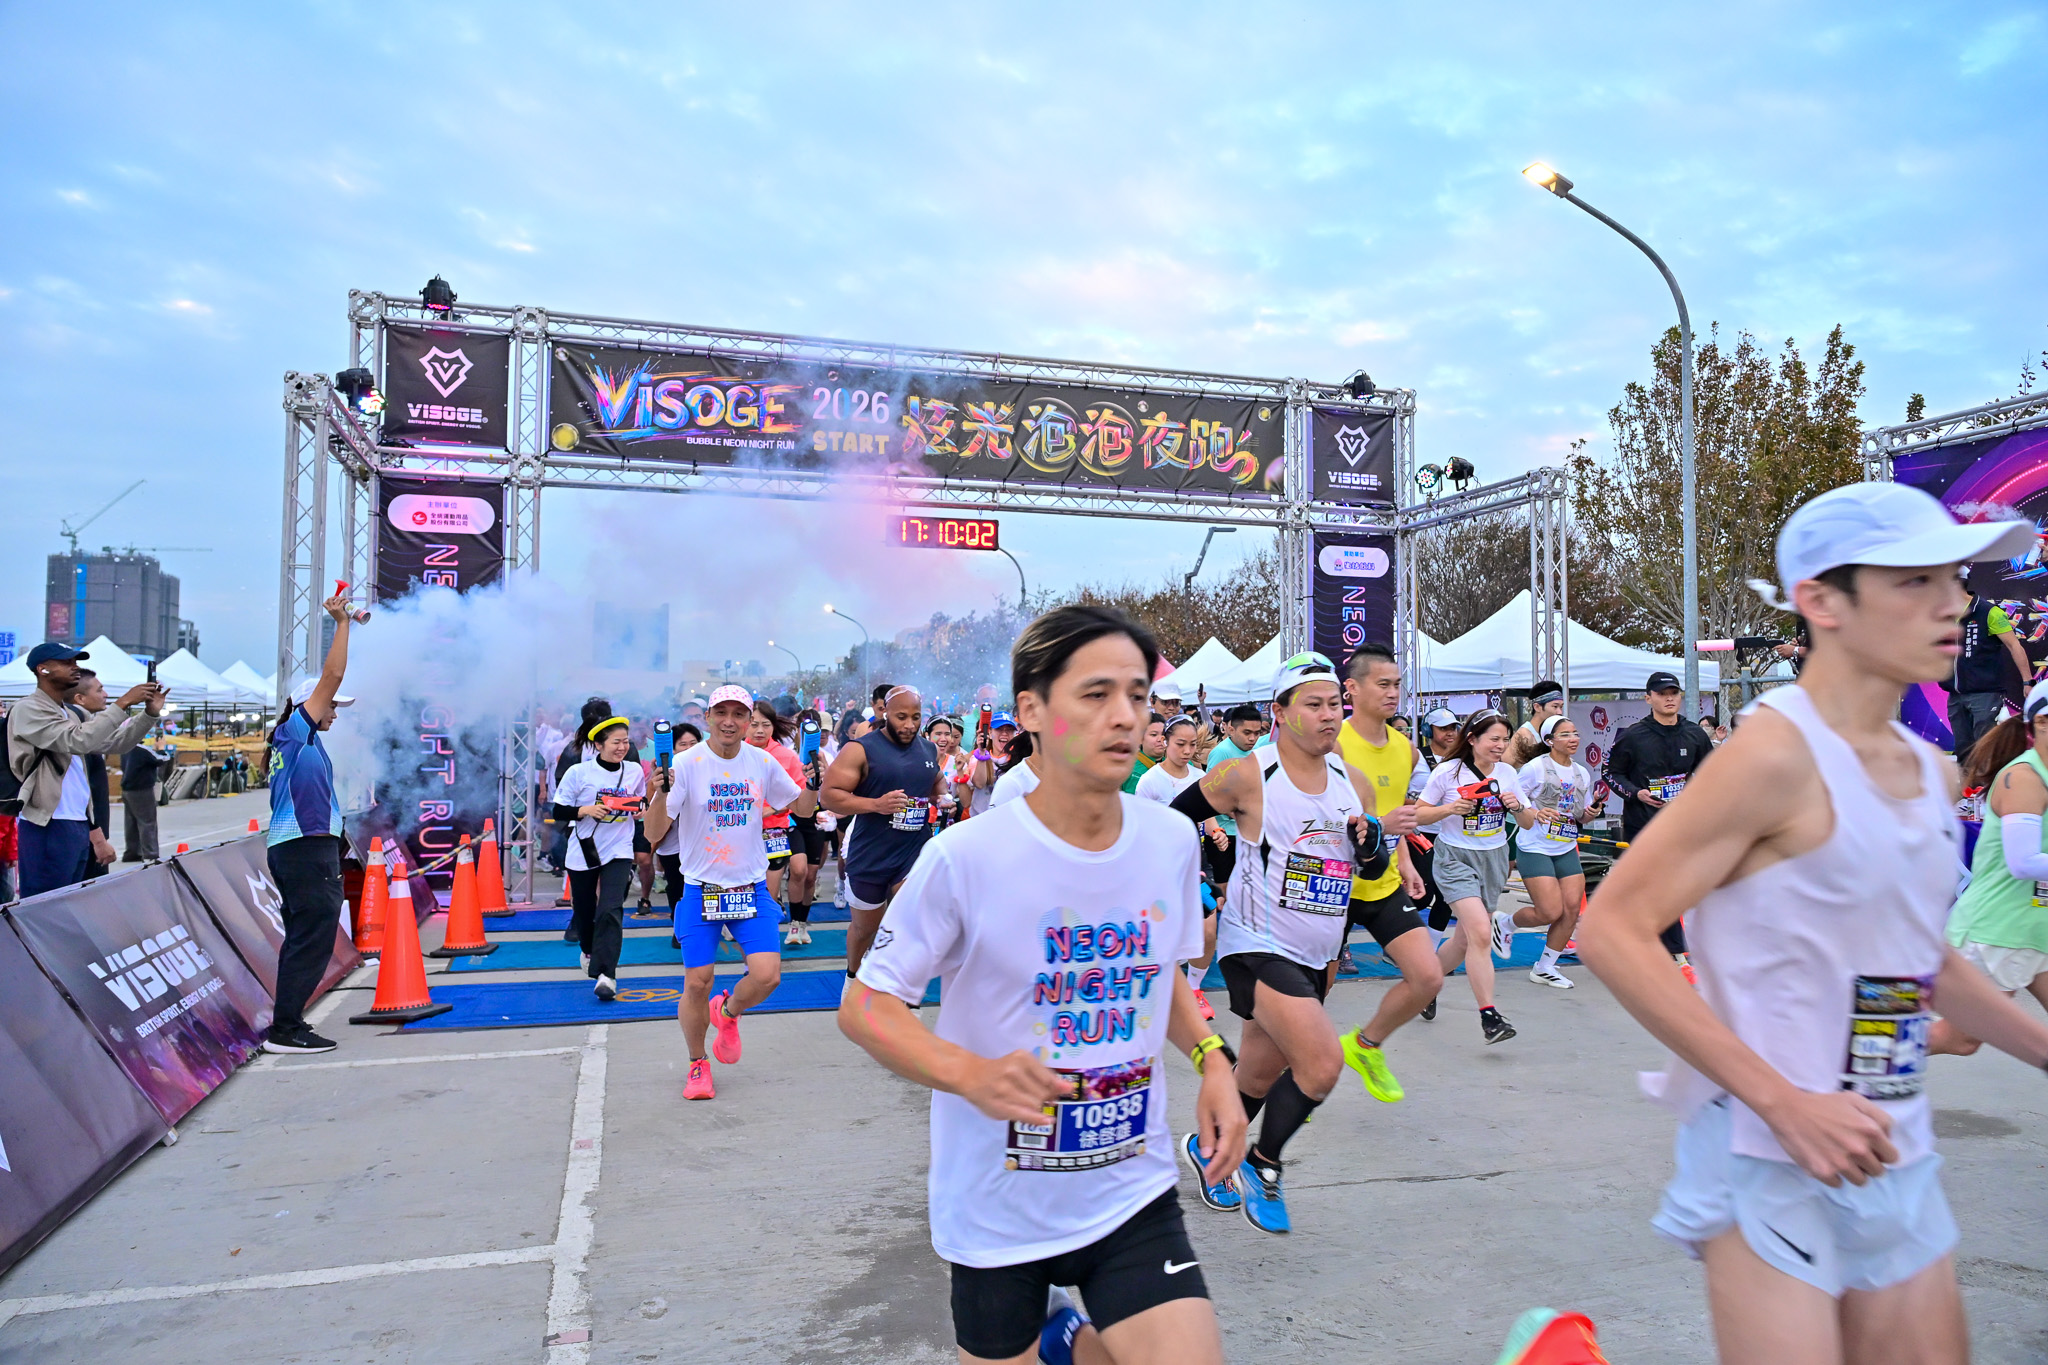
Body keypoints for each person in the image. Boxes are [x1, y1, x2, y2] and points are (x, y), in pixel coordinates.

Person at [1579, 481, 2048, 1365]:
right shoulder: (1771, 754)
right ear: (1822, 602)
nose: (1954, 604)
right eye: (1915, 581)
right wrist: (1783, 1102)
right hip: (1768, 1149)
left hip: (1893, 1139)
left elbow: (1920, 953)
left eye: (1955, 580)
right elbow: (1613, 928)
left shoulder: (1931, 769)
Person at [840, 605, 1243, 1365]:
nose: (1125, 716)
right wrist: (970, 1073)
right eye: (1096, 694)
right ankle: (1066, 1341)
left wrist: (1213, 1058)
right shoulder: (966, 856)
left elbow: (1155, 974)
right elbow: (866, 1005)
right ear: (1031, 711)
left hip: (1131, 1186)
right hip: (998, 1203)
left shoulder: (1168, 839)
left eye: (1137, 695)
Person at [1167, 651, 1389, 1234]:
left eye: (1334, 704)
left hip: (1320, 951)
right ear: (1280, 712)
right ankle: (1262, 1164)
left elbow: (1369, 865)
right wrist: (1189, 879)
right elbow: (1173, 818)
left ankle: (1208, 1149)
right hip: (1256, 944)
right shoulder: (1247, 774)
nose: (1328, 715)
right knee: (1321, 1064)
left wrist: (1372, 848)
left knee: (1259, 1077)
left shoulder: (1353, 782)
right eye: (1313, 705)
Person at [643, 685, 814, 1100]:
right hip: (701, 889)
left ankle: (728, 1011)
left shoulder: (762, 761)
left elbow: (804, 809)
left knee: (767, 976)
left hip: (750, 887)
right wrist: (660, 792)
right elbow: (652, 833)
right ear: (708, 718)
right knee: (697, 982)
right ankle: (697, 1062)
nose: (729, 722)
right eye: (721, 713)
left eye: (739, 714)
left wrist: (813, 782)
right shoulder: (684, 764)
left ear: (750, 721)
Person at [1331, 643, 1441, 1104]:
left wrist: (1406, 862)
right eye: (1383, 684)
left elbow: (1399, 819)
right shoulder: (1333, 743)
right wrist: (1379, 824)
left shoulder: (1406, 751)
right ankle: (1288, 1079)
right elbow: (1318, 819)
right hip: (1331, 885)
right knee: (1309, 997)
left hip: (1383, 883)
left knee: (1427, 977)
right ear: (1352, 689)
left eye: (1397, 684)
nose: (1393, 692)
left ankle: (1365, 1046)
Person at [1930, 680, 2048, 1056]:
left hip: (2037, 927)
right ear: (2041, 723)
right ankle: (1840, 1063)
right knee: (1958, 1040)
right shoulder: (2023, 778)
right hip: (1997, 930)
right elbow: (2023, 862)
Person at [260, 593, 355, 1053]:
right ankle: (286, 1028)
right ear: (308, 705)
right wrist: (342, 624)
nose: (335, 711)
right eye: (331, 705)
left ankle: (289, 1022)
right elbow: (332, 675)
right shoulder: (297, 732)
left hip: (302, 848)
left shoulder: (300, 741)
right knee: (311, 940)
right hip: (304, 849)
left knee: (305, 938)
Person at [1412, 711, 1533, 1046]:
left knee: (1465, 941)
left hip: (1493, 859)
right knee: (1481, 931)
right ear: (1473, 739)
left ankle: (1424, 986)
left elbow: (1527, 823)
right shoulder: (1447, 772)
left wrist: (1516, 807)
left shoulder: (1507, 774)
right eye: (1494, 739)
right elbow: (1418, 814)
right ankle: (1489, 1016)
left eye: (1505, 739)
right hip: (1455, 858)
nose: (1501, 745)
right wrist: (1448, 810)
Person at [6, 642, 161, 899]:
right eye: (66, 662)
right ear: (43, 670)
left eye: (75, 662)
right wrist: (122, 703)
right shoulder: (27, 709)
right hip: (47, 823)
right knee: (45, 906)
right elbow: (77, 740)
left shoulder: (71, 713)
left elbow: (116, 742)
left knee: (71, 902)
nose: (75, 667)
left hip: (76, 822)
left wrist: (149, 715)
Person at [821, 684, 945, 979]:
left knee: (909, 920)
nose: (910, 725)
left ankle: (901, 991)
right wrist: (876, 804)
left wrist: (942, 797)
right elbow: (829, 796)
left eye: (916, 717)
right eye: (902, 717)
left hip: (913, 850)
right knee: (864, 930)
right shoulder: (860, 749)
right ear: (885, 712)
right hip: (872, 853)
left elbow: (935, 779)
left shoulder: (928, 748)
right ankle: (853, 976)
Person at [1604, 671, 1714, 975]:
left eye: (1673, 693)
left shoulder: (1694, 734)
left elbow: (1711, 772)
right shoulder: (1633, 735)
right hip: (1643, 822)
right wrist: (1636, 793)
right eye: (1662, 694)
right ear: (1648, 698)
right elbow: (1611, 772)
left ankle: (1649, 942)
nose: (1669, 699)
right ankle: (1674, 951)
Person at [552, 715, 648, 1001]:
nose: (622, 747)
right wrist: (585, 810)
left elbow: (640, 801)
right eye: (616, 742)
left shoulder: (633, 771)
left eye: (625, 742)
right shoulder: (579, 773)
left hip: (619, 849)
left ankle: (607, 975)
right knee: (584, 911)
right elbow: (559, 810)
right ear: (598, 744)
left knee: (610, 909)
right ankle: (588, 949)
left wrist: (641, 809)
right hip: (584, 850)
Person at [1509, 716, 1595, 989]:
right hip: (1535, 846)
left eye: (1575, 733)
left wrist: (1591, 813)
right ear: (1549, 741)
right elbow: (1513, 800)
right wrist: (1534, 812)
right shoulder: (1535, 768)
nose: (1573, 739)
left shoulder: (1582, 773)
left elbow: (1580, 814)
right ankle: (1507, 923)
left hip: (1566, 846)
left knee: (1571, 910)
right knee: (1548, 911)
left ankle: (1545, 966)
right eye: (1565, 734)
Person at [1943, 569, 2032, 762]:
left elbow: (2014, 646)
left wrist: (2028, 681)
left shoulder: (1989, 612)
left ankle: (1988, 782)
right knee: (1963, 750)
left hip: (1985, 694)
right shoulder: (1944, 614)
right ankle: (1966, 782)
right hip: (1955, 695)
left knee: (1986, 748)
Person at [747, 700, 807, 927]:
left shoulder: (786, 756)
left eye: (766, 724)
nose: (760, 730)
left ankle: (765, 931)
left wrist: (771, 810)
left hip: (775, 831)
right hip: (740, 833)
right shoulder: (733, 753)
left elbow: (800, 795)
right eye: (754, 724)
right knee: (743, 888)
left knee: (768, 893)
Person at [65, 671, 120, 882]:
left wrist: (149, 714)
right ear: (80, 698)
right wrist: (97, 838)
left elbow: (122, 741)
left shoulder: (87, 729)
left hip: (88, 834)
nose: (105, 695)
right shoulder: (76, 732)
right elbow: (80, 791)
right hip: (84, 836)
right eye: (99, 690)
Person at [650, 722, 703, 927]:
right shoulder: (663, 773)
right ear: (671, 749)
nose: (689, 749)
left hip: (702, 843)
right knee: (676, 886)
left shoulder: (708, 769)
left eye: (693, 743)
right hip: (672, 843)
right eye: (683, 744)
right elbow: (652, 806)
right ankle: (679, 927)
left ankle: (701, 927)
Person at [120, 723, 171, 862]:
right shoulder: (141, 750)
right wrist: (161, 748)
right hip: (142, 789)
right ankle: (150, 853)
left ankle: (132, 852)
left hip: (128, 789)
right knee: (147, 821)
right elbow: (161, 759)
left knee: (131, 822)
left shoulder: (125, 748)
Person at [1506, 680, 1567, 768]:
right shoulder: (1525, 735)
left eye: (1561, 707)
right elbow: (1505, 767)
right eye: (1555, 706)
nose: (1559, 712)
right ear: (1537, 707)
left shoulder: (1551, 732)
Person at [1120, 713, 1167, 795]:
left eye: (1164, 735)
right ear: (1140, 738)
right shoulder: (1128, 767)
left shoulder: (1178, 764)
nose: (1160, 739)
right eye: (1154, 735)